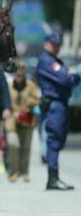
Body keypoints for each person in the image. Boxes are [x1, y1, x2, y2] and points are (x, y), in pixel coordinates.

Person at [36, 33, 80, 190]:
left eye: (58, 45)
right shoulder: (47, 61)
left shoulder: (54, 60)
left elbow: (71, 78)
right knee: (54, 140)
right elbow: (67, 79)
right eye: (54, 44)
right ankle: (52, 179)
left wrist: (71, 76)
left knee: (59, 139)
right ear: (46, 44)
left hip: (60, 104)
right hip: (55, 105)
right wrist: (71, 76)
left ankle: (54, 178)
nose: (57, 47)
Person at [5, 63, 40, 183]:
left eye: (21, 71)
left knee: (26, 147)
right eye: (17, 72)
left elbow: (38, 100)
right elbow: (5, 100)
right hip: (12, 119)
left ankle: (25, 173)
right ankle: (14, 172)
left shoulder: (30, 85)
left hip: (27, 118)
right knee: (13, 144)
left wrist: (32, 101)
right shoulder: (9, 86)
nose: (19, 74)